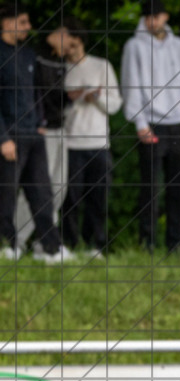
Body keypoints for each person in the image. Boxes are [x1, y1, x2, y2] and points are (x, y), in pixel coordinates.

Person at [120, 0, 180, 254]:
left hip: (178, 123)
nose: (151, 21)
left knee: (177, 186)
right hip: (151, 124)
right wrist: (140, 122)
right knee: (150, 188)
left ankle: (175, 243)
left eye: (156, 16)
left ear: (165, 16)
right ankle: (148, 242)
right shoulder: (134, 47)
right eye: (147, 16)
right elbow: (130, 85)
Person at [0, 5, 70, 263]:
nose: (29, 27)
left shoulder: (28, 55)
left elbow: (36, 92)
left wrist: (41, 121)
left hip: (33, 134)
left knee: (42, 192)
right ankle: (8, 246)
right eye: (23, 21)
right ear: (7, 23)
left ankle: (51, 249)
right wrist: (3, 138)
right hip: (9, 136)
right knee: (6, 195)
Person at [61, 17, 121, 259]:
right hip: (70, 142)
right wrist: (72, 99)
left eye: (74, 45)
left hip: (98, 144)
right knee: (69, 198)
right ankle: (69, 244)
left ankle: (96, 245)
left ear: (81, 42)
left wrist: (96, 98)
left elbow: (115, 105)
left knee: (98, 199)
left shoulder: (101, 67)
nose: (70, 51)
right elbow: (52, 107)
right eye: (67, 46)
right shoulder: (58, 69)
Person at [14, 24, 69, 252]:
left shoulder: (59, 61)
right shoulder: (34, 57)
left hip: (57, 130)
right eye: (69, 41)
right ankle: (15, 238)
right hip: (39, 132)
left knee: (58, 188)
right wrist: (40, 122)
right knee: (38, 190)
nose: (70, 48)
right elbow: (36, 94)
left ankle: (45, 241)